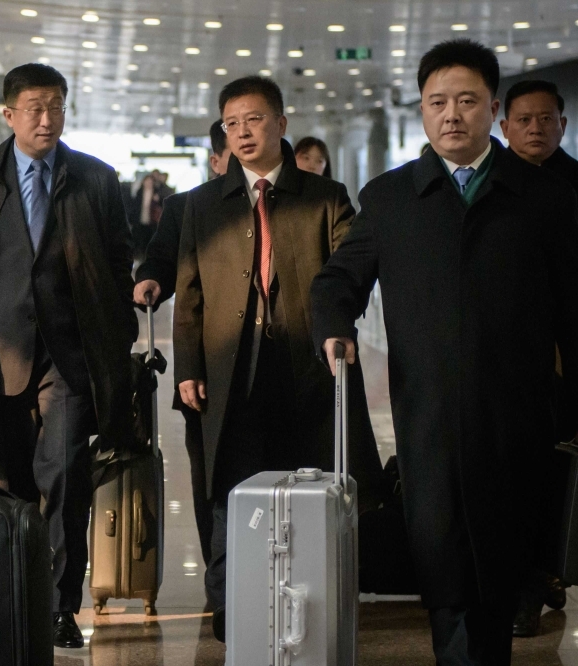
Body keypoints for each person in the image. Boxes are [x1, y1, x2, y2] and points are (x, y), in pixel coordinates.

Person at [311, 40, 578, 665]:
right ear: (423, 113)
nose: (452, 114)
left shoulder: (544, 199)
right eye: (437, 102)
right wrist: (333, 324)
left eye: (466, 101)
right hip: (427, 415)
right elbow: (339, 278)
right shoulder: (392, 197)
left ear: (493, 111)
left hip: (519, 415)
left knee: (506, 564)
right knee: (442, 557)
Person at [0, 62, 136, 649]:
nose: (47, 119)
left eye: (57, 106)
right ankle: (16, 595)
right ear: (9, 114)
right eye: (35, 108)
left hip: (70, 357)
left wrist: (116, 330)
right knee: (8, 481)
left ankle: (60, 605)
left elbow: (120, 261)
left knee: (66, 474)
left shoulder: (94, 179)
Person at [173, 76, 384, 642]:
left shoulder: (325, 197)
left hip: (306, 368)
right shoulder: (201, 204)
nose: (242, 132)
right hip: (228, 369)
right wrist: (189, 365)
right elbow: (188, 291)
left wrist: (337, 331)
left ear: (282, 124)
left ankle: (311, 598)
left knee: (309, 483)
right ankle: (229, 603)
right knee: (230, 488)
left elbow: (348, 275)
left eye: (255, 120)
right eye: (231, 123)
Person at [132, 119, 231, 577]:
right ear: (216, 161)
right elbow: (160, 260)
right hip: (208, 365)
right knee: (211, 476)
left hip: (275, 365)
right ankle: (221, 581)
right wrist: (149, 280)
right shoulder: (186, 207)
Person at [500, 78, 578, 637]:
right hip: (508, 357)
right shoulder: (494, 183)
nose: (535, 129)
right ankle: (525, 587)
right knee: (516, 474)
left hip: (570, 356)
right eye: (523, 120)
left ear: (562, 125)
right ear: (504, 126)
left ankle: (553, 569)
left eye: (545, 119)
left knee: (560, 472)